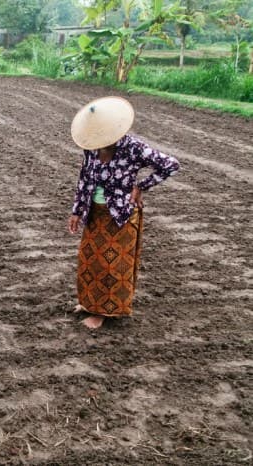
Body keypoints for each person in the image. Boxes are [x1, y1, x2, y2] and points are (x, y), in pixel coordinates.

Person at [67, 96, 180, 329]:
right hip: (95, 214)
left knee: (111, 266)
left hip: (121, 216)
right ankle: (88, 303)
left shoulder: (133, 148)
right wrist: (77, 211)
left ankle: (103, 313)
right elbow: (85, 179)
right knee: (89, 262)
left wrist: (141, 186)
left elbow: (170, 164)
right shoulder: (91, 148)